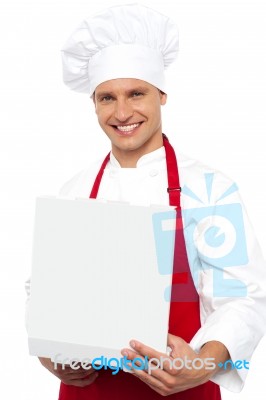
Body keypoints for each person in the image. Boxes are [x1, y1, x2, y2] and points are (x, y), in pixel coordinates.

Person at [27, 4, 266, 399]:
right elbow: (43, 289)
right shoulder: (75, 190)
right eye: (107, 98)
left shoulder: (209, 189)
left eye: (136, 93)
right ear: (94, 104)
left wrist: (200, 366)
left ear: (162, 95)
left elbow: (244, 295)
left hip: (182, 389)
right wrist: (48, 352)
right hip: (90, 392)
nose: (122, 113)